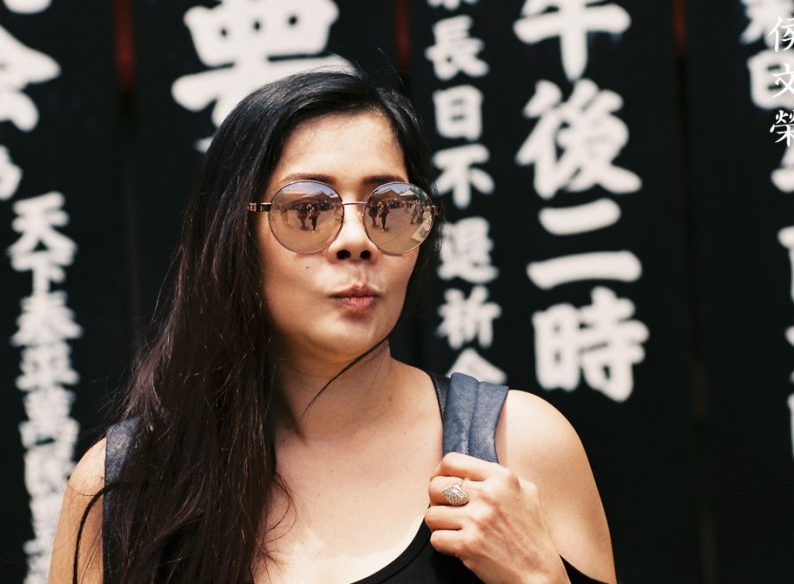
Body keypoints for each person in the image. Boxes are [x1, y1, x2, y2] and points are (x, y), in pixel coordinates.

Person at [49, 69, 616, 584]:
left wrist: (539, 577)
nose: (356, 240)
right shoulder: (124, 487)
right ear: (233, 235)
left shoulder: (520, 446)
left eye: (389, 206)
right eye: (308, 209)